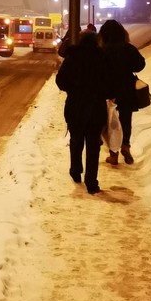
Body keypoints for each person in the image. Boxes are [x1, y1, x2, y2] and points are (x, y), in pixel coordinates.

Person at [55, 30, 114, 194]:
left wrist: (74, 88)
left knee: (76, 139)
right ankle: (91, 182)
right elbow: (110, 85)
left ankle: (75, 169)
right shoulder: (102, 58)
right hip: (96, 107)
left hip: (75, 105)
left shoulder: (72, 57)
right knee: (93, 144)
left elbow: (61, 81)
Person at [98, 18, 146, 166]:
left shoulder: (101, 50)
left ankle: (113, 154)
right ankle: (126, 146)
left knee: (110, 123)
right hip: (126, 90)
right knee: (126, 120)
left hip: (107, 91)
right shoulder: (128, 48)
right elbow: (140, 65)